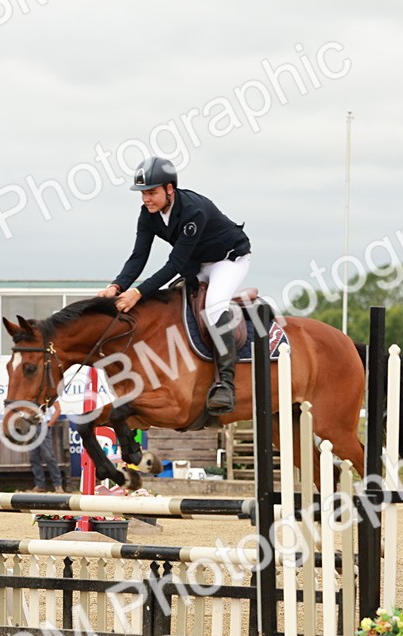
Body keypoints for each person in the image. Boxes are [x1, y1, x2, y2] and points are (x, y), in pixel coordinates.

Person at [97, 156, 251, 414]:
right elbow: (138, 256)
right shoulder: (149, 214)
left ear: (170, 189)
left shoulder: (193, 211)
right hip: (198, 263)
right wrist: (116, 287)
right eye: (143, 193)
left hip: (228, 259)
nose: (146, 199)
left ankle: (226, 384)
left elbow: (175, 264)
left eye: (152, 192)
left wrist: (138, 292)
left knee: (213, 307)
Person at [28, 404, 64, 493]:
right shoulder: (31, 395)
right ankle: (40, 485)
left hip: (43, 425)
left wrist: (49, 424)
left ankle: (58, 485)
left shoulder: (48, 393)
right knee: (33, 457)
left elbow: (58, 409)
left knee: (49, 456)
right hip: (32, 426)